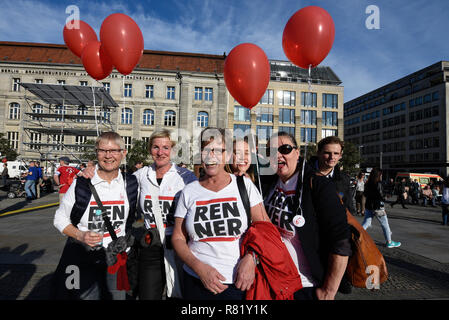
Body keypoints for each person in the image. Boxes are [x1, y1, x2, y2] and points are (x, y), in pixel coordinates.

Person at [172, 127, 270, 300]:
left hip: (238, 283)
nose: (211, 156)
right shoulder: (188, 191)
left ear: (228, 154)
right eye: (206, 150)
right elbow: (178, 238)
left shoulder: (244, 186)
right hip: (196, 282)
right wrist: (199, 268)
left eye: (218, 150)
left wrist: (251, 258)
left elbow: (266, 229)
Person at [262, 131, 351, 300]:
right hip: (273, 281)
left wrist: (329, 291)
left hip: (304, 285)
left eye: (285, 149)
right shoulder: (269, 182)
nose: (278, 155)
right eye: (271, 151)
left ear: (297, 153)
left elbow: (341, 240)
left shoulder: (318, 185)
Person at [53, 132, 138, 299]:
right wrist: (80, 234)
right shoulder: (82, 183)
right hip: (84, 256)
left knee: (117, 297)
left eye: (114, 150)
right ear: (96, 153)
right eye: (102, 151)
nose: (108, 156)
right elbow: (59, 218)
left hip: (117, 257)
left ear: (123, 153)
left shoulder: (132, 183)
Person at [132, 129, 197, 300]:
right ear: (149, 150)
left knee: (179, 295)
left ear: (173, 150)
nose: (160, 152)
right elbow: (114, 183)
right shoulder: (141, 176)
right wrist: (90, 173)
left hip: (178, 245)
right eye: (156, 147)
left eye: (166, 148)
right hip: (151, 244)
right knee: (148, 295)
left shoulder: (186, 177)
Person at [311, 136, 356, 216]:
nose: (332, 157)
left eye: (336, 153)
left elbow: (348, 209)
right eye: (327, 153)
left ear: (340, 155)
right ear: (318, 153)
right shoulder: (303, 175)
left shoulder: (344, 179)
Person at [362, 167, 401, 248]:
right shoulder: (378, 183)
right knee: (385, 224)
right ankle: (389, 242)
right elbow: (381, 196)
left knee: (366, 223)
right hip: (378, 207)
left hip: (369, 206)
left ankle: (356, 235)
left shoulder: (368, 183)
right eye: (381, 174)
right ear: (379, 175)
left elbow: (365, 195)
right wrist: (388, 196)